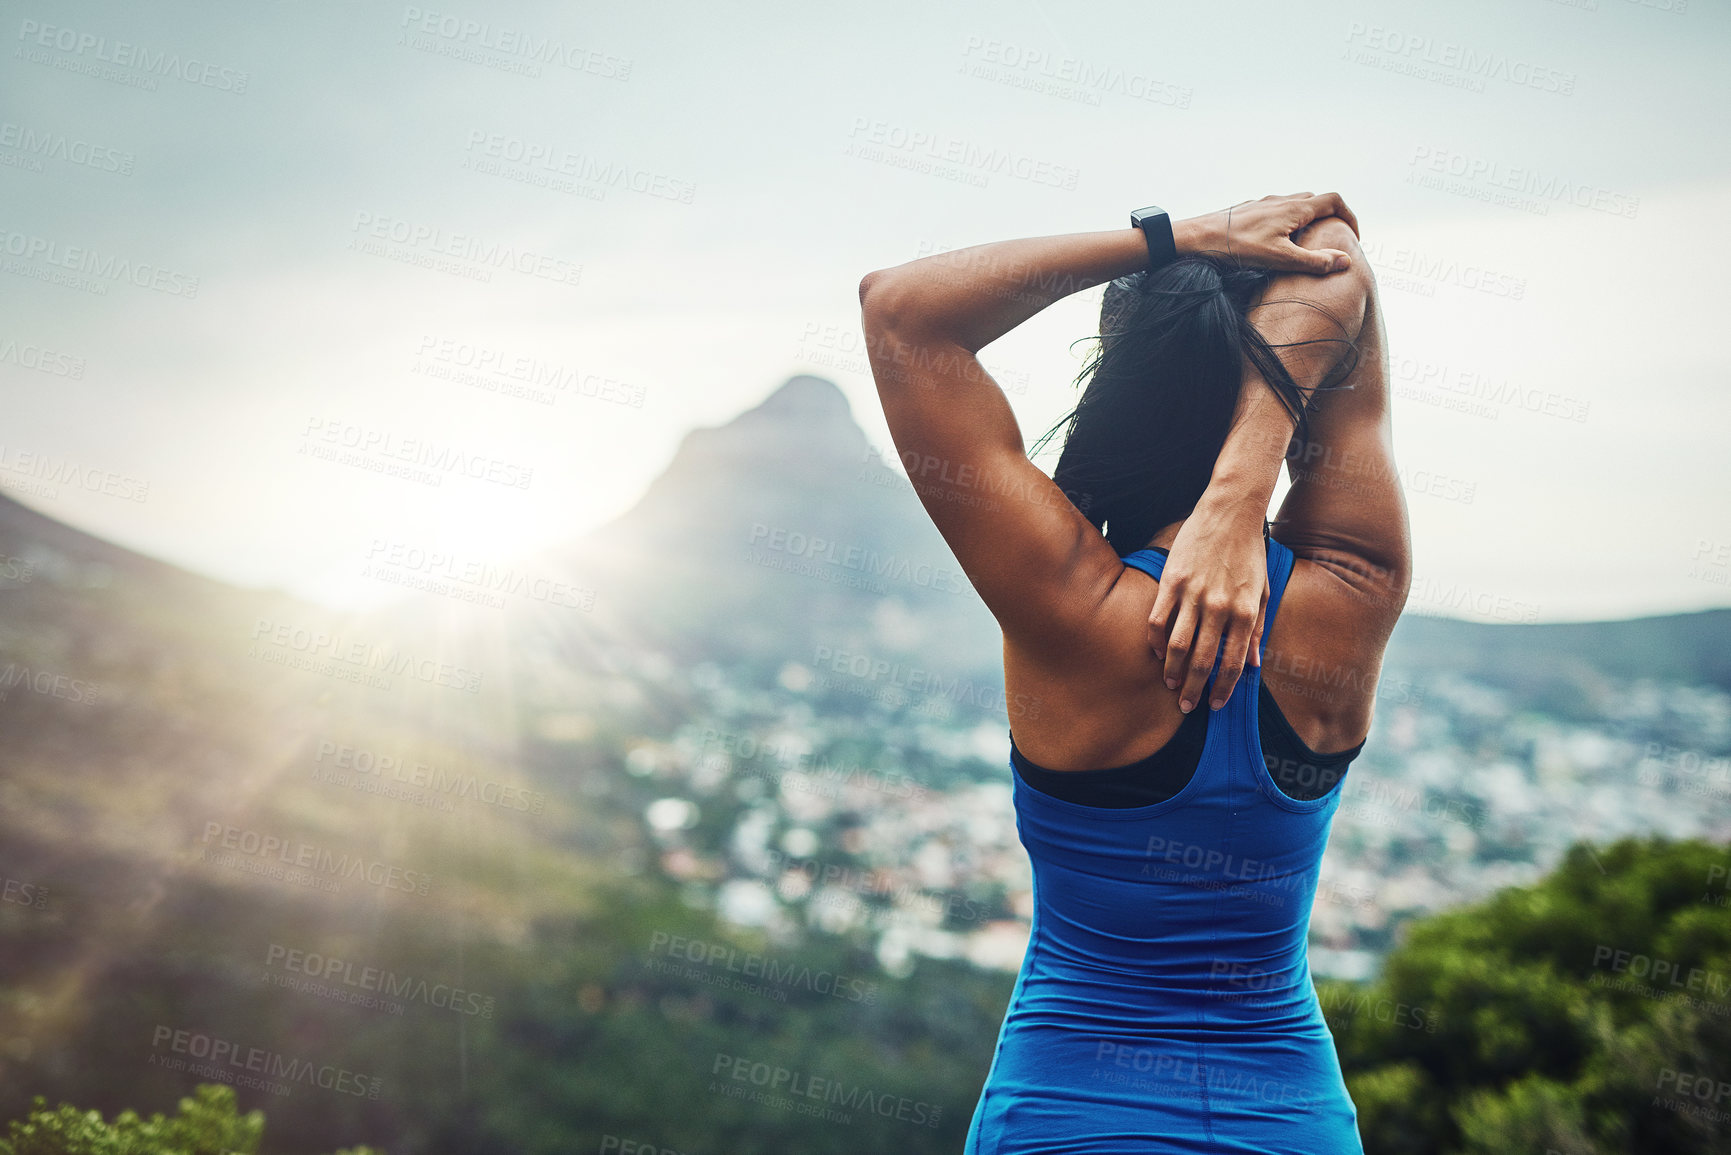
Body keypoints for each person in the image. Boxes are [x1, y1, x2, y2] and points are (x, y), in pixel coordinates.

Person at [857, 192, 1411, 1153]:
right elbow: (1337, 253)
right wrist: (1244, 487)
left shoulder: (1067, 606)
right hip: (1291, 1121)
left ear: (1121, 382)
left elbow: (899, 309)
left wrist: (1176, 237)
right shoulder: (1354, 590)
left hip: (1069, 1116)